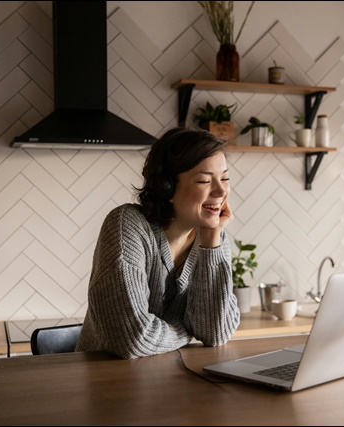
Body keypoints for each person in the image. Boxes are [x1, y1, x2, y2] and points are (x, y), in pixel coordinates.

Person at [75, 128, 240, 359]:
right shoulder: (127, 225)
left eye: (225, 178)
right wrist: (185, 329)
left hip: (170, 382)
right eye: (204, 180)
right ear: (167, 187)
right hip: (107, 383)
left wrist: (212, 243)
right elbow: (132, 339)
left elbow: (215, 333)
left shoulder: (214, 239)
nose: (221, 191)